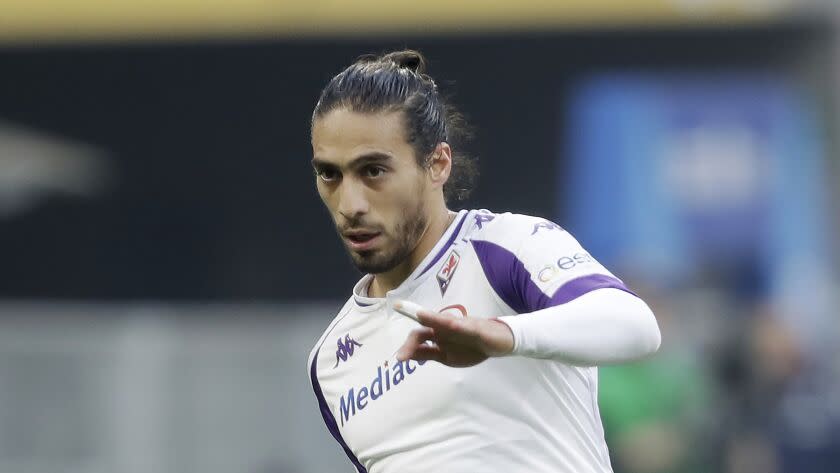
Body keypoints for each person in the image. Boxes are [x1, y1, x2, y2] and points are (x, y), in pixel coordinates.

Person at [306, 49, 661, 473]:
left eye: (373, 171)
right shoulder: (329, 362)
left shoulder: (501, 247)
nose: (351, 203)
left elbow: (636, 326)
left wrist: (501, 335)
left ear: (437, 164)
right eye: (331, 174)